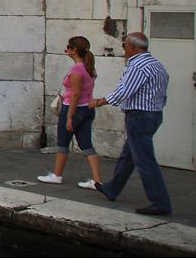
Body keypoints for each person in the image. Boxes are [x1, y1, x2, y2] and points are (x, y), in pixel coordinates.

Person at [91, 32, 172, 215]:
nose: (124, 48)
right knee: (128, 156)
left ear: (133, 47)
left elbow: (123, 91)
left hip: (139, 116)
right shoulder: (156, 64)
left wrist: (99, 102)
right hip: (154, 114)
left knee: (145, 161)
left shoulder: (137, 65)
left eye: (124, 45)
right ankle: (112, 188)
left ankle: (160, 202)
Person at [38, 36, 102, 189]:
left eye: (68, 47)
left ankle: (57, 175)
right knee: (86, 144)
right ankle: (97, 180)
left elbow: (75, 94)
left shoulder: (76, 70)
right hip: (88, 108)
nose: (66, 50)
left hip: (74, 108)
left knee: (63, 143)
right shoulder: (89, 68)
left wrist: (68, 117)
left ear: (74, 50)